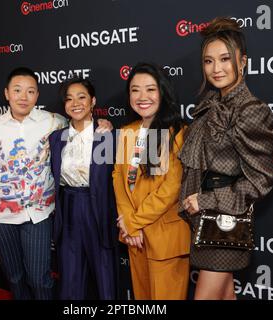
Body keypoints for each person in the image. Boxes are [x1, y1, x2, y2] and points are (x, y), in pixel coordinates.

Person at [0, 67, 112, 300]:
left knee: (40, 278)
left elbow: (81, 124)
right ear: (7, 93)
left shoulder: (53, 122)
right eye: (17, 90)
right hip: (0, 215)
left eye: (30, 91)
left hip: (38, 213)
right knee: (15, 276)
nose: (23, 97)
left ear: (37, 95)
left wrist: (103, 124)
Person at [178, 17, 273, 300]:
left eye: (224, 59)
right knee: (225, 296)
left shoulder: (251, 110)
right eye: (208, 61)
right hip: (205, 223)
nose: (216, 68)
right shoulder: (212, 106)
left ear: (242, 61)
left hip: (224, 226)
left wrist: (206, 200)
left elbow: (260, 181)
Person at [113, 62, 191, 300]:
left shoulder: (178, 132)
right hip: (135, 239)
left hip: (165, 239)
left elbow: (172, 188)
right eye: (135, 90)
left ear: (162, 92)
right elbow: (118, 177)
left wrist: (133, 222)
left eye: (150, 89)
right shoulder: (126, 132)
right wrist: (128, 221)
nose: (142, 96)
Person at [49, 77, 118, 300]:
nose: (75, 103)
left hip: (98, 209)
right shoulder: (56, 138)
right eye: (69, 99)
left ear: (93, 101)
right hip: (67, 209)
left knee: (105, 276)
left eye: (81, 97)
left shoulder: (107, 136)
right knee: (70, 278)